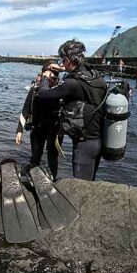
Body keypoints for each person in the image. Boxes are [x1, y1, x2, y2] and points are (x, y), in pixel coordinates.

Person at [38, 39, 108, 181]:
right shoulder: (96, 77)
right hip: (99, 141)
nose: (62, 64)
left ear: (68, 60)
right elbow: (80, 72)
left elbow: (43, 94)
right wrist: (64, 69)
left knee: (82, 188)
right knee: (90, 183)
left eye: (63, 61)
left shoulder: (72, 84)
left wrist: (45, 78)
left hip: (84, 145)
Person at [15, 61, 61, 180]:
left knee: (52, 156)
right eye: (49, 75)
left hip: (54, 129)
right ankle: (33, 178)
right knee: (35, 155)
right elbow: (25, 109)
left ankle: (54, 179)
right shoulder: (35, 90)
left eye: (55, 75)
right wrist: (19, 130)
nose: (52, 78)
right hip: (38, 127)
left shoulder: (62, 89)